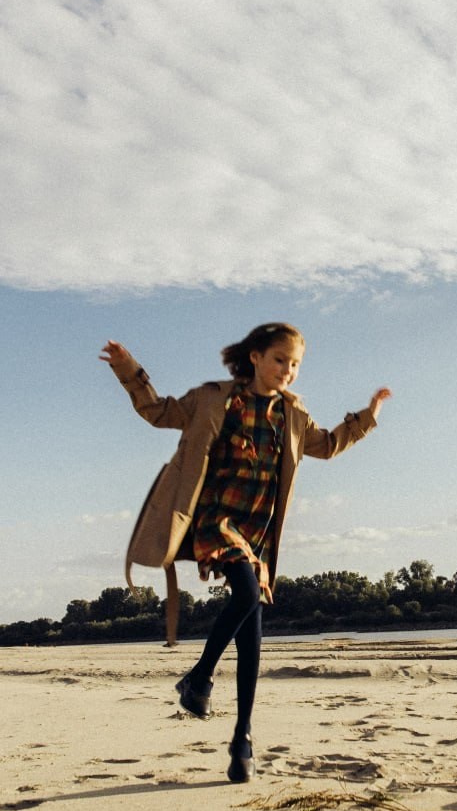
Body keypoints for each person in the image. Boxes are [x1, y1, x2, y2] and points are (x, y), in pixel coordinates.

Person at [101, 322, 391, 784]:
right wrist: (128, 371)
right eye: (280, 360)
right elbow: (158, 412)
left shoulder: (293, 417)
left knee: (252, 635)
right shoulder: (213, 399)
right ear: (255, 357)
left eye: (295, 365)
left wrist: (368, 415)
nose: (287, 371)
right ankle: (199, 677)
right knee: (246, 597)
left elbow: (329, 445)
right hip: (216, 520)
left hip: (258, 535)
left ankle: (241, 740)